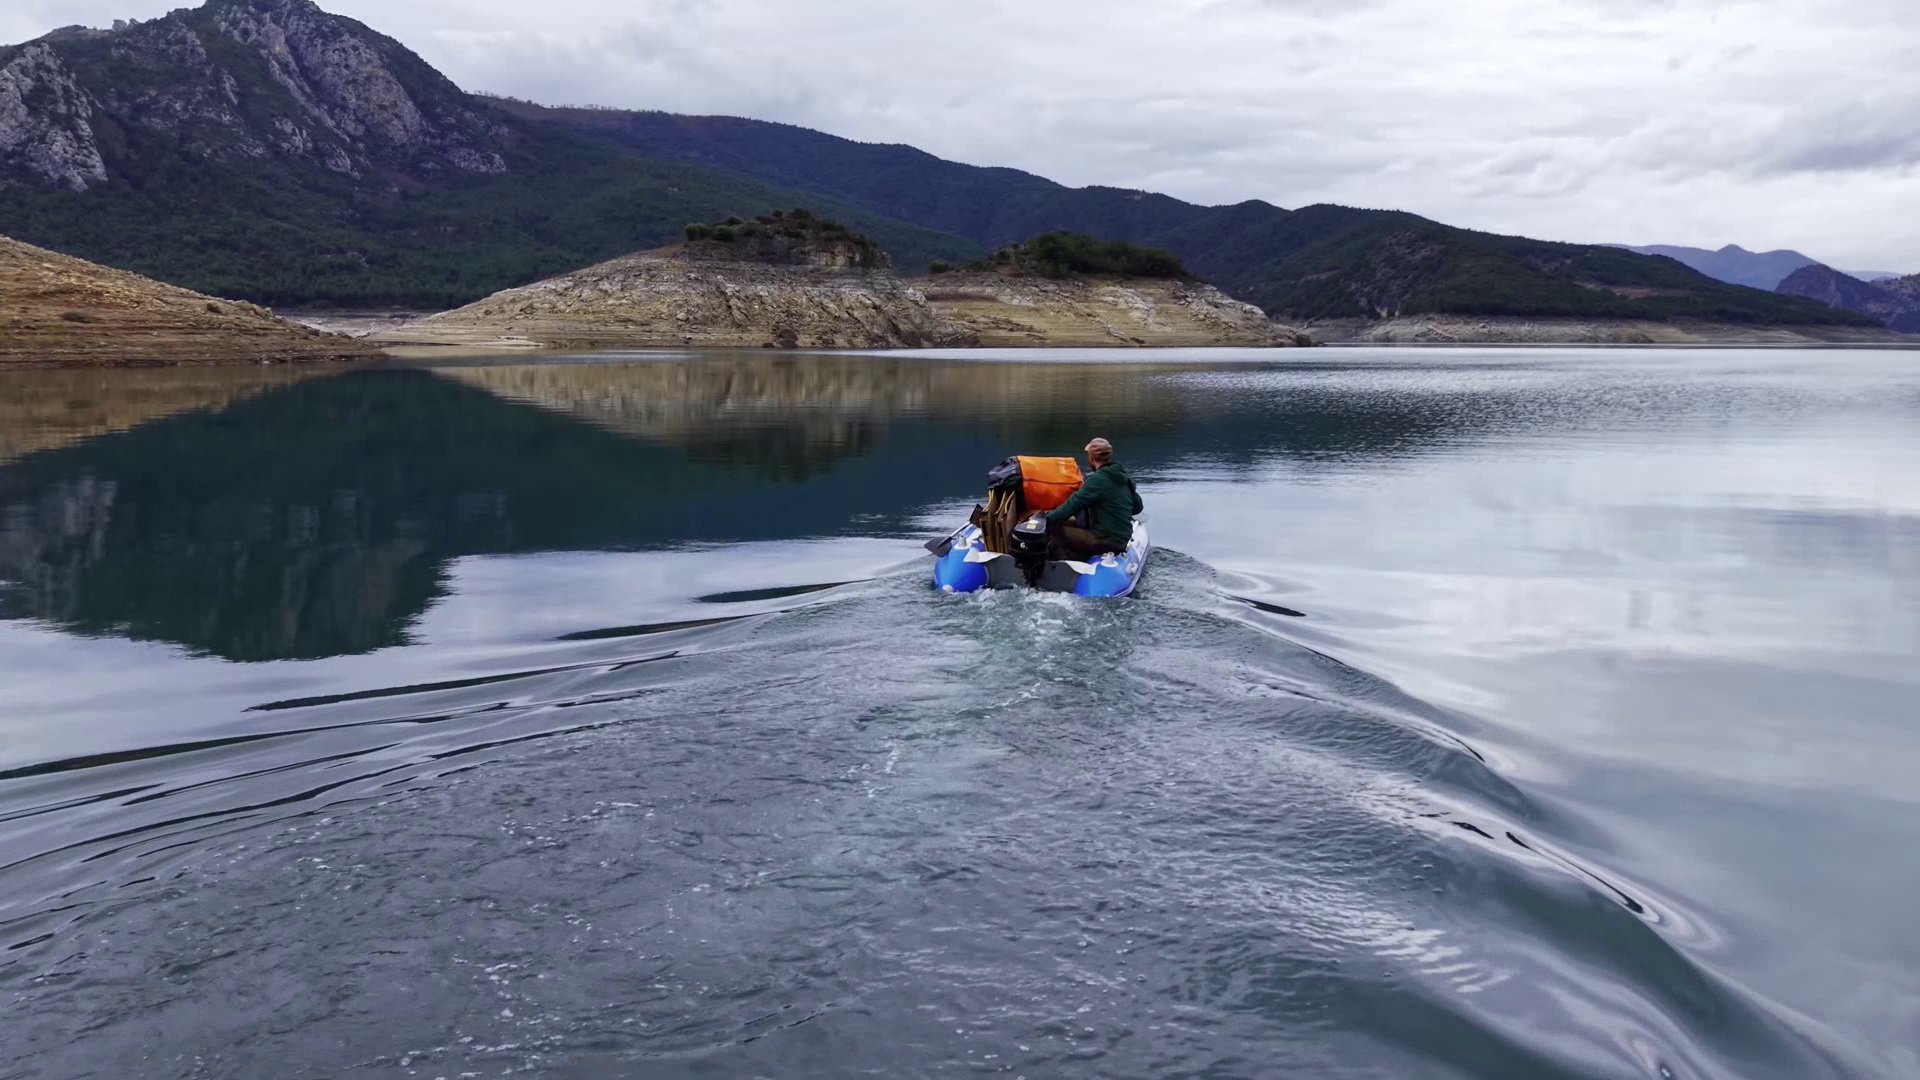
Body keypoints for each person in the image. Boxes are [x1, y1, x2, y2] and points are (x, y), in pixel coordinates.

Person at [1044, 438, 1142, 559]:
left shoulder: (1097, 479)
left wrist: (1045, 519)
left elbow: (1071, 506)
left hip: (1106, 541)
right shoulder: (1124, 477)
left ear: (1091, 457)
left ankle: (1063, 564)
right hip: (1122, 539)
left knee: (1053, 530)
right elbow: (1137, 508)